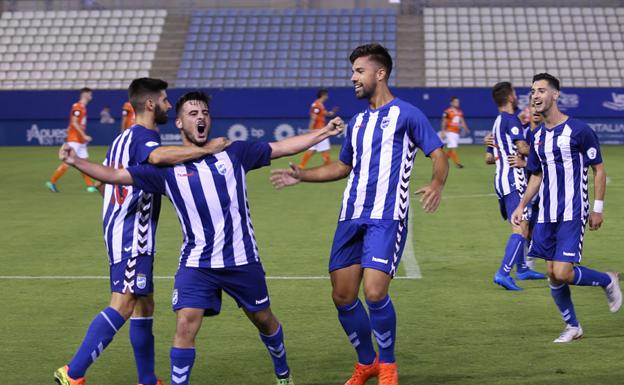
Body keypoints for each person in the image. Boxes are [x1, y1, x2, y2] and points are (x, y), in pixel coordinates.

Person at [59, 90, 345, 385]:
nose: (201, 118)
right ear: (180, 124)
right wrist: (77, 162)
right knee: (185, 325)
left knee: (264, 320)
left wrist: (323, 131)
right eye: (192, 114)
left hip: (242, 259)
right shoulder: (166, 169)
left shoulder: (234, 152)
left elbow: (282, 147)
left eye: (205, 113)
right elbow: (117, 176)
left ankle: (283, 373)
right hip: (197, 264)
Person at [270, 43, 448, 385]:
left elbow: (437, 153)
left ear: (380, 74)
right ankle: (367, 362)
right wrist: (301, 175)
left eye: (359, 71)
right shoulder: (358, 123)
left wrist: (437, 183)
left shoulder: (407, 114)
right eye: (352, 71)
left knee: (376, 292)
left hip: (386, 217)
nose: (353, 78)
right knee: (343, 296)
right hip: (350, 216)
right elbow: (341, 166)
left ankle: (389, 366)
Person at [53, 79, 230, 385]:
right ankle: (73, 373)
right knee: (123, 303)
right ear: (150, 104)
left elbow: (106, 180)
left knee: (144, 304)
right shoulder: (145, 137)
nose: (166, 104)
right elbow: (159, 158)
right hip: (133, 233)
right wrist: (208, 150)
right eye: (163, 100)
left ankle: (147, 380)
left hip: (119, 227)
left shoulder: (122, 139)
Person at [511, 73, 622, 342]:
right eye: (532, 91)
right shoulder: (537, 137)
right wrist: (522, 206)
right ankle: (573, 326)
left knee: (563, 272)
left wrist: (597, 208)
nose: (535, 96)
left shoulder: (579, 130)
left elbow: (598, 170)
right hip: (546, 213)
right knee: (552, 273)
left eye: (540, 90)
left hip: (573, 211)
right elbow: (536, 175)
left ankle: (607, 280)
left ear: (555, 94)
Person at [485, 82, 545, 291]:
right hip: (513, 179)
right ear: (510, 97)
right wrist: (541, 153)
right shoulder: (511, 120)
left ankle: (522, 269)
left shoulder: (497, 121)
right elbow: (522, 147)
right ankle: (503, 272)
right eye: (514, 93)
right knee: (521, 227)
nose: (517, 95)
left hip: (501, 179)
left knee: (522, 224)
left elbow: (489, 157)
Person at [46, 87, 99, 193]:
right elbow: (74, 122)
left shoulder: (83, 107)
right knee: (68, 162)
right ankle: (52, 182)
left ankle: (89, 186)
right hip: (74, 139)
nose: (91, 96)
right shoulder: (78, 107)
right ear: (85, 95)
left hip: (79, 140)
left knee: (84, 162)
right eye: (90, 94)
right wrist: (84, 135)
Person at [298, 88, 338, 168]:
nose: (327, 97)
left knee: (312, 149)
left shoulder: (320, 105)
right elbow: (313, 118)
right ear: (323, 95)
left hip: (318, 129)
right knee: (324, 148)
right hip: (319, 130)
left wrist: (332, 113)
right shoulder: (316, 105)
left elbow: (326, 114)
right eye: (326, 95)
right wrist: (310, 130)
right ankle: (328, 166)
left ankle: (301, 166)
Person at [441, 96, 470, 169]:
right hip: (450, 132)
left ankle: (443, 161)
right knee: (453, 148)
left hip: (456, 133)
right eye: (455, 102)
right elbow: (444, 121)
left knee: (451, 148)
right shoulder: (447, 111)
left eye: (458, 102)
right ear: (451, 103)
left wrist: (466, 128)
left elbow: (462, 121)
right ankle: (458, 164)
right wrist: (443, 131)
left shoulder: (459, 112)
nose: (457, 103)